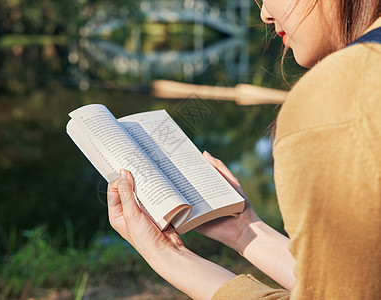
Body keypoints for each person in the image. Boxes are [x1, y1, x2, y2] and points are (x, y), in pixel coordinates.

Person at [107, 0, 381, 298]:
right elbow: (355, 280)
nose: (264, 13)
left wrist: (165, 255)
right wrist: (245, 228)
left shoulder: (338, 97)